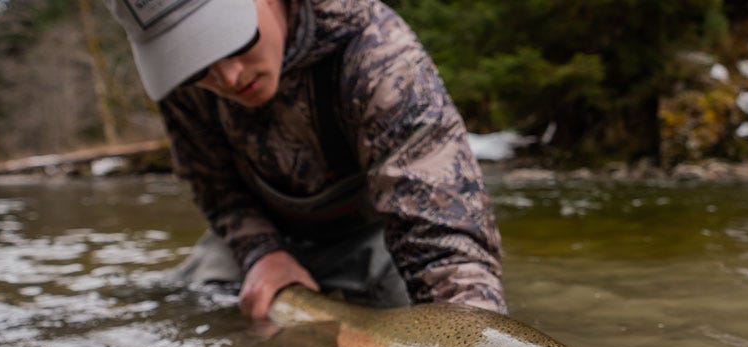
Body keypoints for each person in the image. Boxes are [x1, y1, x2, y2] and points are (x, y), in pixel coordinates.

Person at [105, 0, 507, 320]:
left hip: (376, 238)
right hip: (261, 235)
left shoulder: (380, 56)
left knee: (424, 319)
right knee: (193, 315)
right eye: (193, 62)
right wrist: (261, 253)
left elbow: (444, 242)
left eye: (230, 41)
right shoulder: (183, 84)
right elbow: (214, 185)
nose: (227, 77)